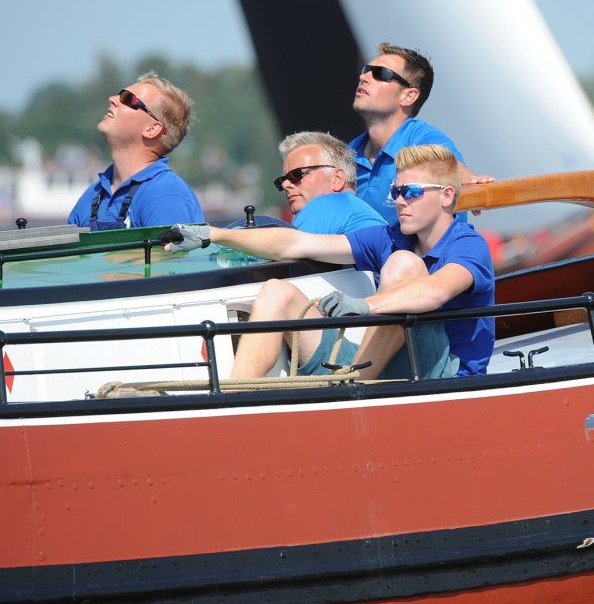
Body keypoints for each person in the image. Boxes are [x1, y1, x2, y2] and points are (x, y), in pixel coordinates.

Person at [168, 144, 495, 381]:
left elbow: (435, 290)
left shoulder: (468, 245)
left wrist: (366, 305)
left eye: (410, 191)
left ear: (447, 196)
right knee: (275, 292)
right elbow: (295, 243)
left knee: (404, 265)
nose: (398, 200)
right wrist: (217, 234)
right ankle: (232, 403)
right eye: (395, 191)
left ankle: (351, 386)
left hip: (442, 376)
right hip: (378, 362)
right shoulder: (389, 235)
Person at [350, 42, 493, 224]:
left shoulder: (423, 139)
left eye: (381, 73)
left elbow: (450, 166)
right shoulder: (348, 152)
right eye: (366, 69)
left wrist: (470, 181)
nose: (364, 77)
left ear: (409, 96)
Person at [67, 71, 204, 230]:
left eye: (128, 98)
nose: (112, 99)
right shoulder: (93, 195)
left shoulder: (166, 196)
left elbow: (173, 256)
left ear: (152, 129)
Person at [274, 131, 385, 234]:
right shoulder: (361, 215)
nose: (285, 185)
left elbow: (285, 252)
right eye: (282, 180)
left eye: (296, 175)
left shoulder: (322, 207)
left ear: (337, 179)